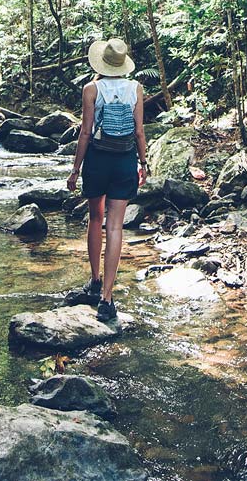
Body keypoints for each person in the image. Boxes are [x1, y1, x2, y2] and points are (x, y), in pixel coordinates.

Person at [65, 36, 147, 321]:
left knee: (95, 219)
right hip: (124, 161)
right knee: (115, 228)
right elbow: (138, 132)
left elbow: (85, 133)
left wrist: (75, 169)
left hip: (98, 160)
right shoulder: (136, 88)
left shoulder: (91, 89)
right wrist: (144, 163)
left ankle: (95, 280)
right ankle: (107, 299)